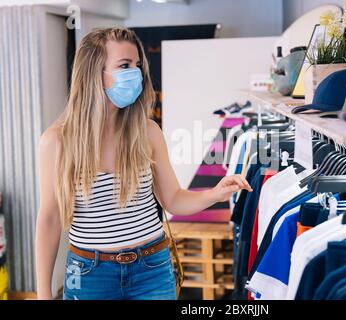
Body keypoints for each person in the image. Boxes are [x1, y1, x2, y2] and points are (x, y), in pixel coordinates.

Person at [35, 28, 252, 300]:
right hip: (89, 274)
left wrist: (215, 193)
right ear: (94, 72)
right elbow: (49, 220)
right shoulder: (56, 142)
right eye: (124, 66)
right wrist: (43, 293)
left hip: (151, 269)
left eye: (137, 65)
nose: (135, 74)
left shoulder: (147, 132)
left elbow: (172, 199)